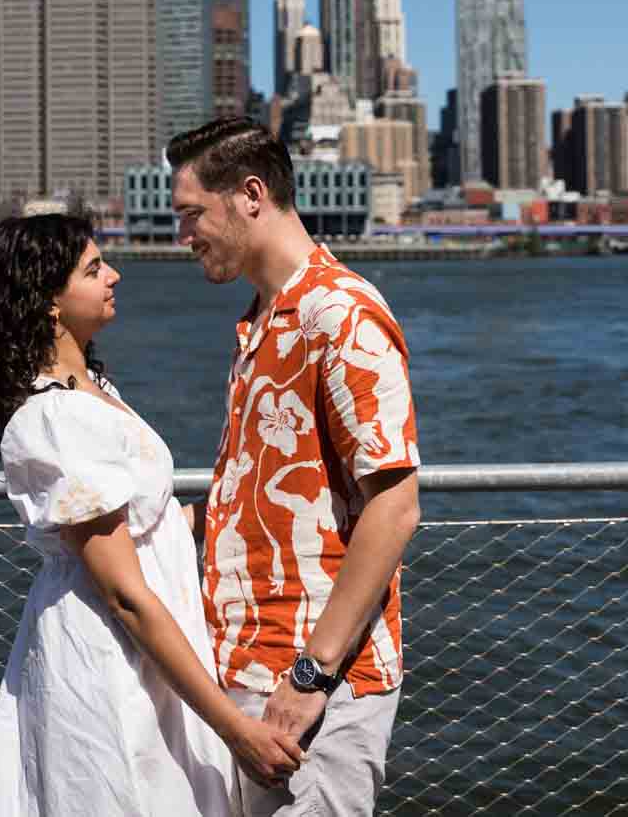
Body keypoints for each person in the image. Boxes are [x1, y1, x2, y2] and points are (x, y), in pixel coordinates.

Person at [0, 212, 305, 817]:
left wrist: (251, 497)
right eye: (94, 269)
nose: (114, 276)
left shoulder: (92, 389)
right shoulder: (55, 418)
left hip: (150, 649)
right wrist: (235, 728)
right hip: (112, 656)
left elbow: (144, 529)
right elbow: (124, 592)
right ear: (49, 301)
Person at [167, 119, 423, 817]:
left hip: (315, 683)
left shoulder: (340, 315)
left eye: (191, 214)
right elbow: (249, 498)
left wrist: (311, 673)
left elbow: (395, 508)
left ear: (250, 195)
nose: (182, 236)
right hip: (248, 667)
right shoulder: (263, 322)